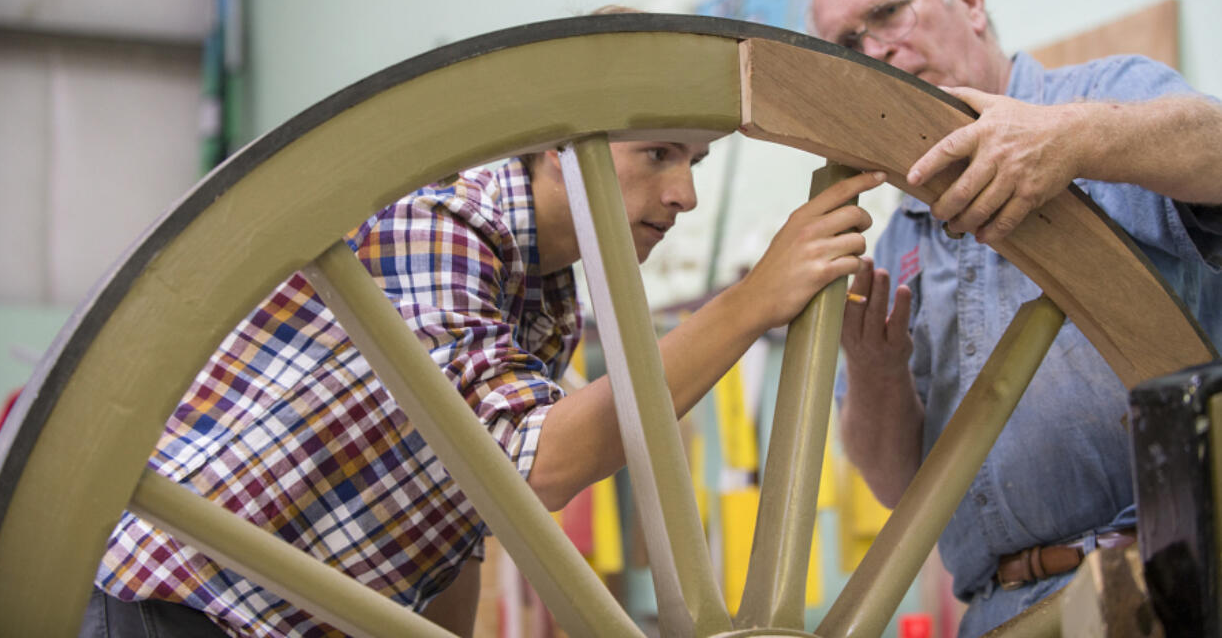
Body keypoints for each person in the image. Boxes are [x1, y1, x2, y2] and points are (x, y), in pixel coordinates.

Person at [84, 130, 884, 636]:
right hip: (172, 603)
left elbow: (464, 515)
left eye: (696, 161)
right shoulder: (442, 220)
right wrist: (749, 304)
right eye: (658, 154)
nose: (685, 193)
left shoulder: (548, 292)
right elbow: (529, 464)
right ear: (553, 148)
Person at [809, 0, 1222, 636]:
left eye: (886, 12)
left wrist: (1072, 138)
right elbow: (898, 490)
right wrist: (875, 374)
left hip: (1164, 588)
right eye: (845, 45)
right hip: (997, 615)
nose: (872, 50)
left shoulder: (1107, 95)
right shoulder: (894, 236)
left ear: (969, 0)